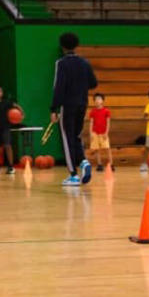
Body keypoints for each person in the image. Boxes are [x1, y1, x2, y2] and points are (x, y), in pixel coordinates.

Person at [50, 32, 98, 187]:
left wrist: (53, 108)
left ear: (62, 46)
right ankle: (83, 162)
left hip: (67, 105)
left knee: (66, 137)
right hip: (82, 104)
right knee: (76, 136)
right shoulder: (85, 63)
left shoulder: (61, 63)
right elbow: (93, 83)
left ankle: (73, 175)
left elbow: (58, 87)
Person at [89, 92, 114, 172]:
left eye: (99, 99)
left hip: (103, 133)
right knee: (96, 149)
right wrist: (91, 133)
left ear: (102, 101)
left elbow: (108, 122)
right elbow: (91, 122)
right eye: (95, 99)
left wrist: (106, 132)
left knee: (107, 148)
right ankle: (99, 164)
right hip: (95, 132)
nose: (97, 101)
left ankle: (111, 164)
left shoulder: (106, 111)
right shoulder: (92, 111)